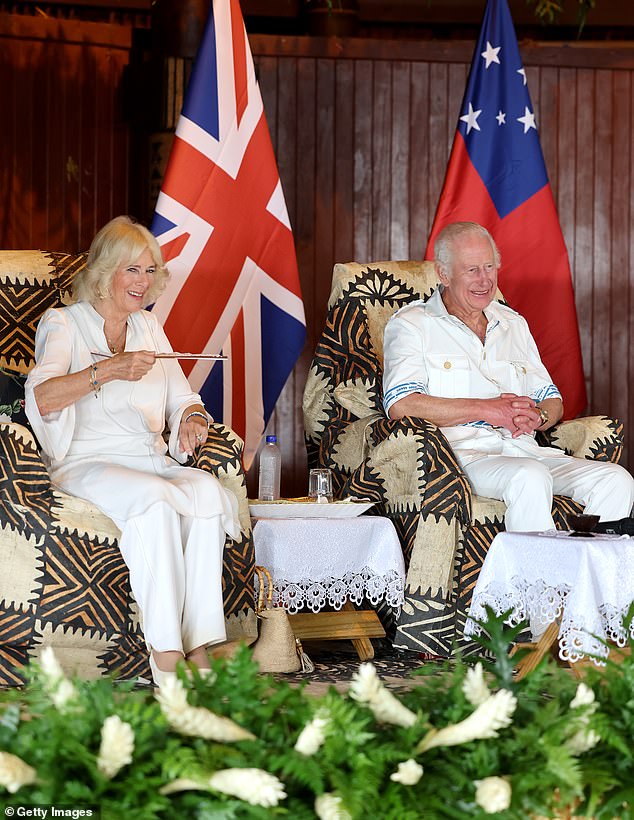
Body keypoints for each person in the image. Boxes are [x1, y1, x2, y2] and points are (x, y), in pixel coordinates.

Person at [25, 215, 239, 687]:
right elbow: (41, 398)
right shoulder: (63, 323)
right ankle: (165, 656)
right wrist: (108, 371)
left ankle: (198, 644)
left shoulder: (148, 326)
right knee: (157, 501)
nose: (143, 283)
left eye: (150, 271)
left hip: (148, 457)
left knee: (205, 490)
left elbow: (183, 396)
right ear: (105, 273)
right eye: (132, 271)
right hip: (85, 459)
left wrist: (191, 420)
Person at [383, 221, 634, 531]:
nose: (484, 280)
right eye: (472, 270)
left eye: (490, 267)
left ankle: (585, 576)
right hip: (461, 458)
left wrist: (538, 416)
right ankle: (533, 579)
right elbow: (402, 405)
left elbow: (551, 400)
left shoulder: (513, 323)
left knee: (617, 480)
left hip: (526, 450)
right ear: (444, 274)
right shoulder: (412, 325)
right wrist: (488, 410)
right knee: (529, 476)